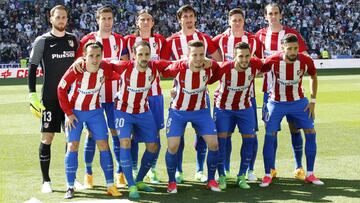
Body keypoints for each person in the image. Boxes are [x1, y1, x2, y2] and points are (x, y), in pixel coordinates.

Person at [160, 4, 222, 183]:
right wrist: (174, 84)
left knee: (203, 136)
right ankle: (178, 171)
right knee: (177, 137)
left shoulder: (204, 37)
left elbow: (218, 60)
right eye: (184, 16)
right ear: (179, 19)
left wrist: (209, 62)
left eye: (191, 16)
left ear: (195, 18)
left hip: (201, 97)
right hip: (180, 96)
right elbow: (165, 66)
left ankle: (199, 169)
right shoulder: (171, 40)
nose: (188, 19)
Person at [58, 41, 122, 199]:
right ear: (84, 56)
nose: (94, 59)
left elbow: (124, 68)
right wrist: (68, 113)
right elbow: (61, 88)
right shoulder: (77, 68)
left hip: (95, 111)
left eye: (98, 55)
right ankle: (70, 186)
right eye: (91, 55)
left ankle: (110, 185)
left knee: (104, 145)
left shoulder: (106, 67)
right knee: (73, 145)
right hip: (75, 112)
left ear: (102, 56)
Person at [259, 33, 324, 187]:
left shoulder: (305, 60)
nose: (293, 52)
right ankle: (268, 173)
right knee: (270, 134)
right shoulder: (273, 60)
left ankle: (309, 173)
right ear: (283, 48)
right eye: (290, 49)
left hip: (298, 102)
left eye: (295, 48)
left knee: (310, 132)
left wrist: (313, 101)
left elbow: (314, 76)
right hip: (276, 102)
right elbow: (257, 70)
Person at [75, 6, 128, 189]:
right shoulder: (88, 40)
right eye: (103, 18)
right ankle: (88, 173)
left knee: (116, 134)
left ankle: (120, 173)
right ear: (97, 20)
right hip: (93, 97)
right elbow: (78, 64)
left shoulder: (120, 41)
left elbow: (125, 66)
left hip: (115, 96)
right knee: (91, 135)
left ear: (113, 20)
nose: (107, 22)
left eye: (110, 18)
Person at [27, 5, 78, 193]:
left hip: (70, 99)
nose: (62, 20)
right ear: (51, 19)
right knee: (47, 137)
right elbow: (32, 68)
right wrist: (32, 94)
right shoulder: (42, 41)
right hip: (49, 98)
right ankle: (46, 181)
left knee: (71, 139)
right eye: (58, 17)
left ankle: (70, 179)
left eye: (64, 17)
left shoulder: (73, 40)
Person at [255, 3, 309, 180]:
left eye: (276, 13)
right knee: (272, 130)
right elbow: (255, 60)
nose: (273, 16)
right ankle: (271, 169)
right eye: (270, 13)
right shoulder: (260, 35)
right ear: (265, 16)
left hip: (293, 92)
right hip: (270, 92)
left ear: (281, 14)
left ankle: (299, 167)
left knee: (295, 128)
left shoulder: (291, 34)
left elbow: (305, 57)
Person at [113, 41, 172, 199]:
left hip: (143, 110)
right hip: (123, 110)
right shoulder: (123, 66)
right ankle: (131, 185)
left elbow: (177, 64)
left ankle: (139, 180)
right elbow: (103, 63)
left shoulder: (155, 66)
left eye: (147, 54)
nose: (144, 57)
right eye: (140, 54)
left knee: (153, 146)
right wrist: (80, 60)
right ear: (134, 55)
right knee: (125, 142)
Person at [212, 7, 261, 183]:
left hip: (248, 95)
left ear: (244, 21)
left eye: (240, 19)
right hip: (225, 96)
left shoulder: (254, 40)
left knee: (251, 135)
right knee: (225, 136)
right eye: (234, 20)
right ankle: (223, 170)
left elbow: (260, 65)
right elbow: (215, 64)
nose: (237, 23)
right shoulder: (219, 39)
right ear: (229, 21)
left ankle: (250, 170)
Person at [124, 9, 166, 184]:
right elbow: (125, 66)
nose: (146, 22)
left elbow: (163, 68)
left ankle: (152, 169)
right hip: (133, 96)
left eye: (149, 19)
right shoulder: (128, 41)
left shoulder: (161, 41)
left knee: (154, 136)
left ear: (153, 22)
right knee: (132, 135)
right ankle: (134, 169)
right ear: (137, 23)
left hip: (154, 95)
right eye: (142, 19)